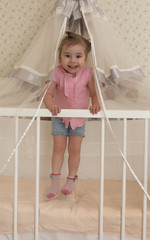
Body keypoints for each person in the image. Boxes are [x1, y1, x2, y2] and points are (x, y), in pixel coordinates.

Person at [44, 32, 101, 198]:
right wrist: (51, 105)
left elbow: (94, 94)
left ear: (85, 58)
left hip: (79, 119)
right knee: (58, 147)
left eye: (78, 56)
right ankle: (55, 179)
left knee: (75, 149)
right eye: (67, 55)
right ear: (60, 56)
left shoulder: (88, 74)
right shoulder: (56, 73)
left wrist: (95, 104)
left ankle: (71, 179)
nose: (72, 60)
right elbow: (48, 95)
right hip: (60, 117)